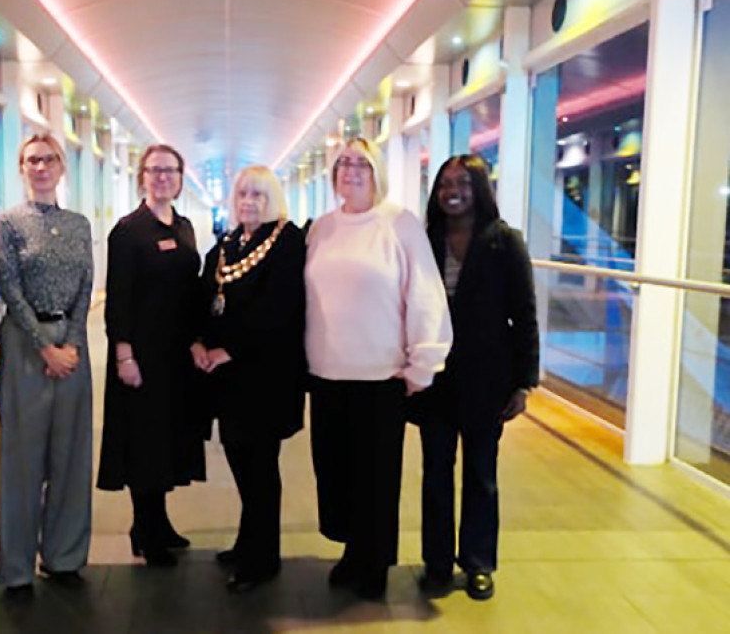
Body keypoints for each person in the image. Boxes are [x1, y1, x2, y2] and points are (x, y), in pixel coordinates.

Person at [304, 137, 452, 600]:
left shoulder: (400, 224)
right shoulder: (320, 228)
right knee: (336, 473)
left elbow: (425, 294)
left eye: (361, 164)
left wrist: (423, 362)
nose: (351, 170)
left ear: (377, 172)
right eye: (344, 163)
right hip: (326, 373)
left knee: (376, 476)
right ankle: (352, 551)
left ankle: (375, 563)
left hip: (380, 376)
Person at [416, 154, 539, 601]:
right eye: (446, 183)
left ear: (481, 189)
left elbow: (524, 313)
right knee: (436, 473)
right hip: (434, 378)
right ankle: (436, 562)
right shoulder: (425, 239)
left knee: (482, 474)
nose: (453, 190)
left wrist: (524, 382)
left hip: (487, 379)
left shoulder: (504, 242)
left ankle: (478, 563)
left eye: (463, 183)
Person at [0, 134, 94, 599]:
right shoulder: (8, 222)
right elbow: (10, 289)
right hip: (25, 344)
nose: (41, 166)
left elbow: (86, 284)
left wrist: (71, 343)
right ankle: (17, 568)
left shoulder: (78, 224)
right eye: (32, 159)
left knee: (71, 455)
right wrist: (45, 347)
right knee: (22, 458)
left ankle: (65, 556)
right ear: (21, 167)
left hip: (72, 345)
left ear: (61, 167)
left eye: (49, 159)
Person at [197, 166, 306, 592]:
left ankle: (263, 559)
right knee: (242, 461)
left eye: (259, 195)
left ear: (273, 199)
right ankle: (248, 542)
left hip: (265, 377)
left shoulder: (287, 241)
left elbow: (279, 308)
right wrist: (199, 343)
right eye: (243, 194)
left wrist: (230, 349)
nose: (249, 202)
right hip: (228, 379)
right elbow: (206, 296)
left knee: (260, 469)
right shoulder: (228, 244)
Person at [97, 144, 206, 566]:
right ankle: (144, 528)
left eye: (170, 170)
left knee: (166, 440)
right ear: (142, 177)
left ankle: (159, 522)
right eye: (154, 170)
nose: (162, 177)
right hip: (141, 355)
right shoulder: (128, 231)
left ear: (180, 178)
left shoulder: (184, 226)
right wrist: (124, 355)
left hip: (176, 356)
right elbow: (118, 300)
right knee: (143, 441)